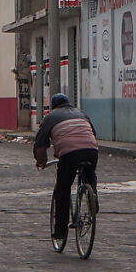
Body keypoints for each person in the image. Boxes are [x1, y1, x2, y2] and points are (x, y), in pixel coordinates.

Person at [34, 93, 99, 242]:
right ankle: (93, 200)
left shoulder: (50, 117)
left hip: (69, 155)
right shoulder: (81, 113)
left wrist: (41, 161)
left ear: (52, 106)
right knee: (90, 175)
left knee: (63, 188)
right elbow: (93, 134)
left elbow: (40, 145)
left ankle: (60, 231)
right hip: (91, 151)